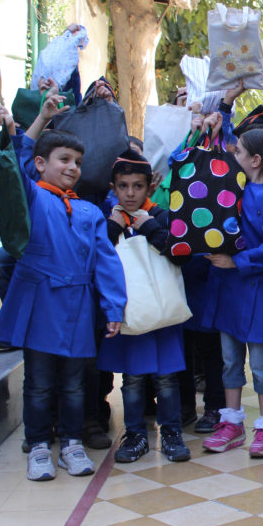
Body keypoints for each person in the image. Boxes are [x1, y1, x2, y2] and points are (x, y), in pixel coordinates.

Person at [0, 98, 126, 482]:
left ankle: (72, 444)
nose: (73, 168)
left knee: (76, 384)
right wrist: (20, 127)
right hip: (41, 305)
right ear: (42, 164)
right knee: (39, 383)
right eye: (63, 159)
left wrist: (113, 307)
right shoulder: (33, 198)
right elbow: (14, 164)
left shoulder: (89, 212)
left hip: (79, 307)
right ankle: (38, 447)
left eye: (77, 162)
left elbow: (106, 263)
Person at [200, 128, 263, 457]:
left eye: (237, 153)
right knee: (229, 361)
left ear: (254, 160)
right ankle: (232, 422)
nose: (232, 157)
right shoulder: (230, 189)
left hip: (261, 291)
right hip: (229, 290)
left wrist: (236, 261)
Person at [98, 150, 191, 463]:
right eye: (123, 186)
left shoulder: (162, 216)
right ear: (113, 187)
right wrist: (113, 227)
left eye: (137, 186)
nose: (130, 193)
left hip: (163, 313)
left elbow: (180, 254)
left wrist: (150, 227)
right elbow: (95, 256)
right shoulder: (108, 219)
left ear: (149, 186)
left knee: (166, 379)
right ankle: (135, 433)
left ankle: (171, 432)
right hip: (131, 313)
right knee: (133, 379)